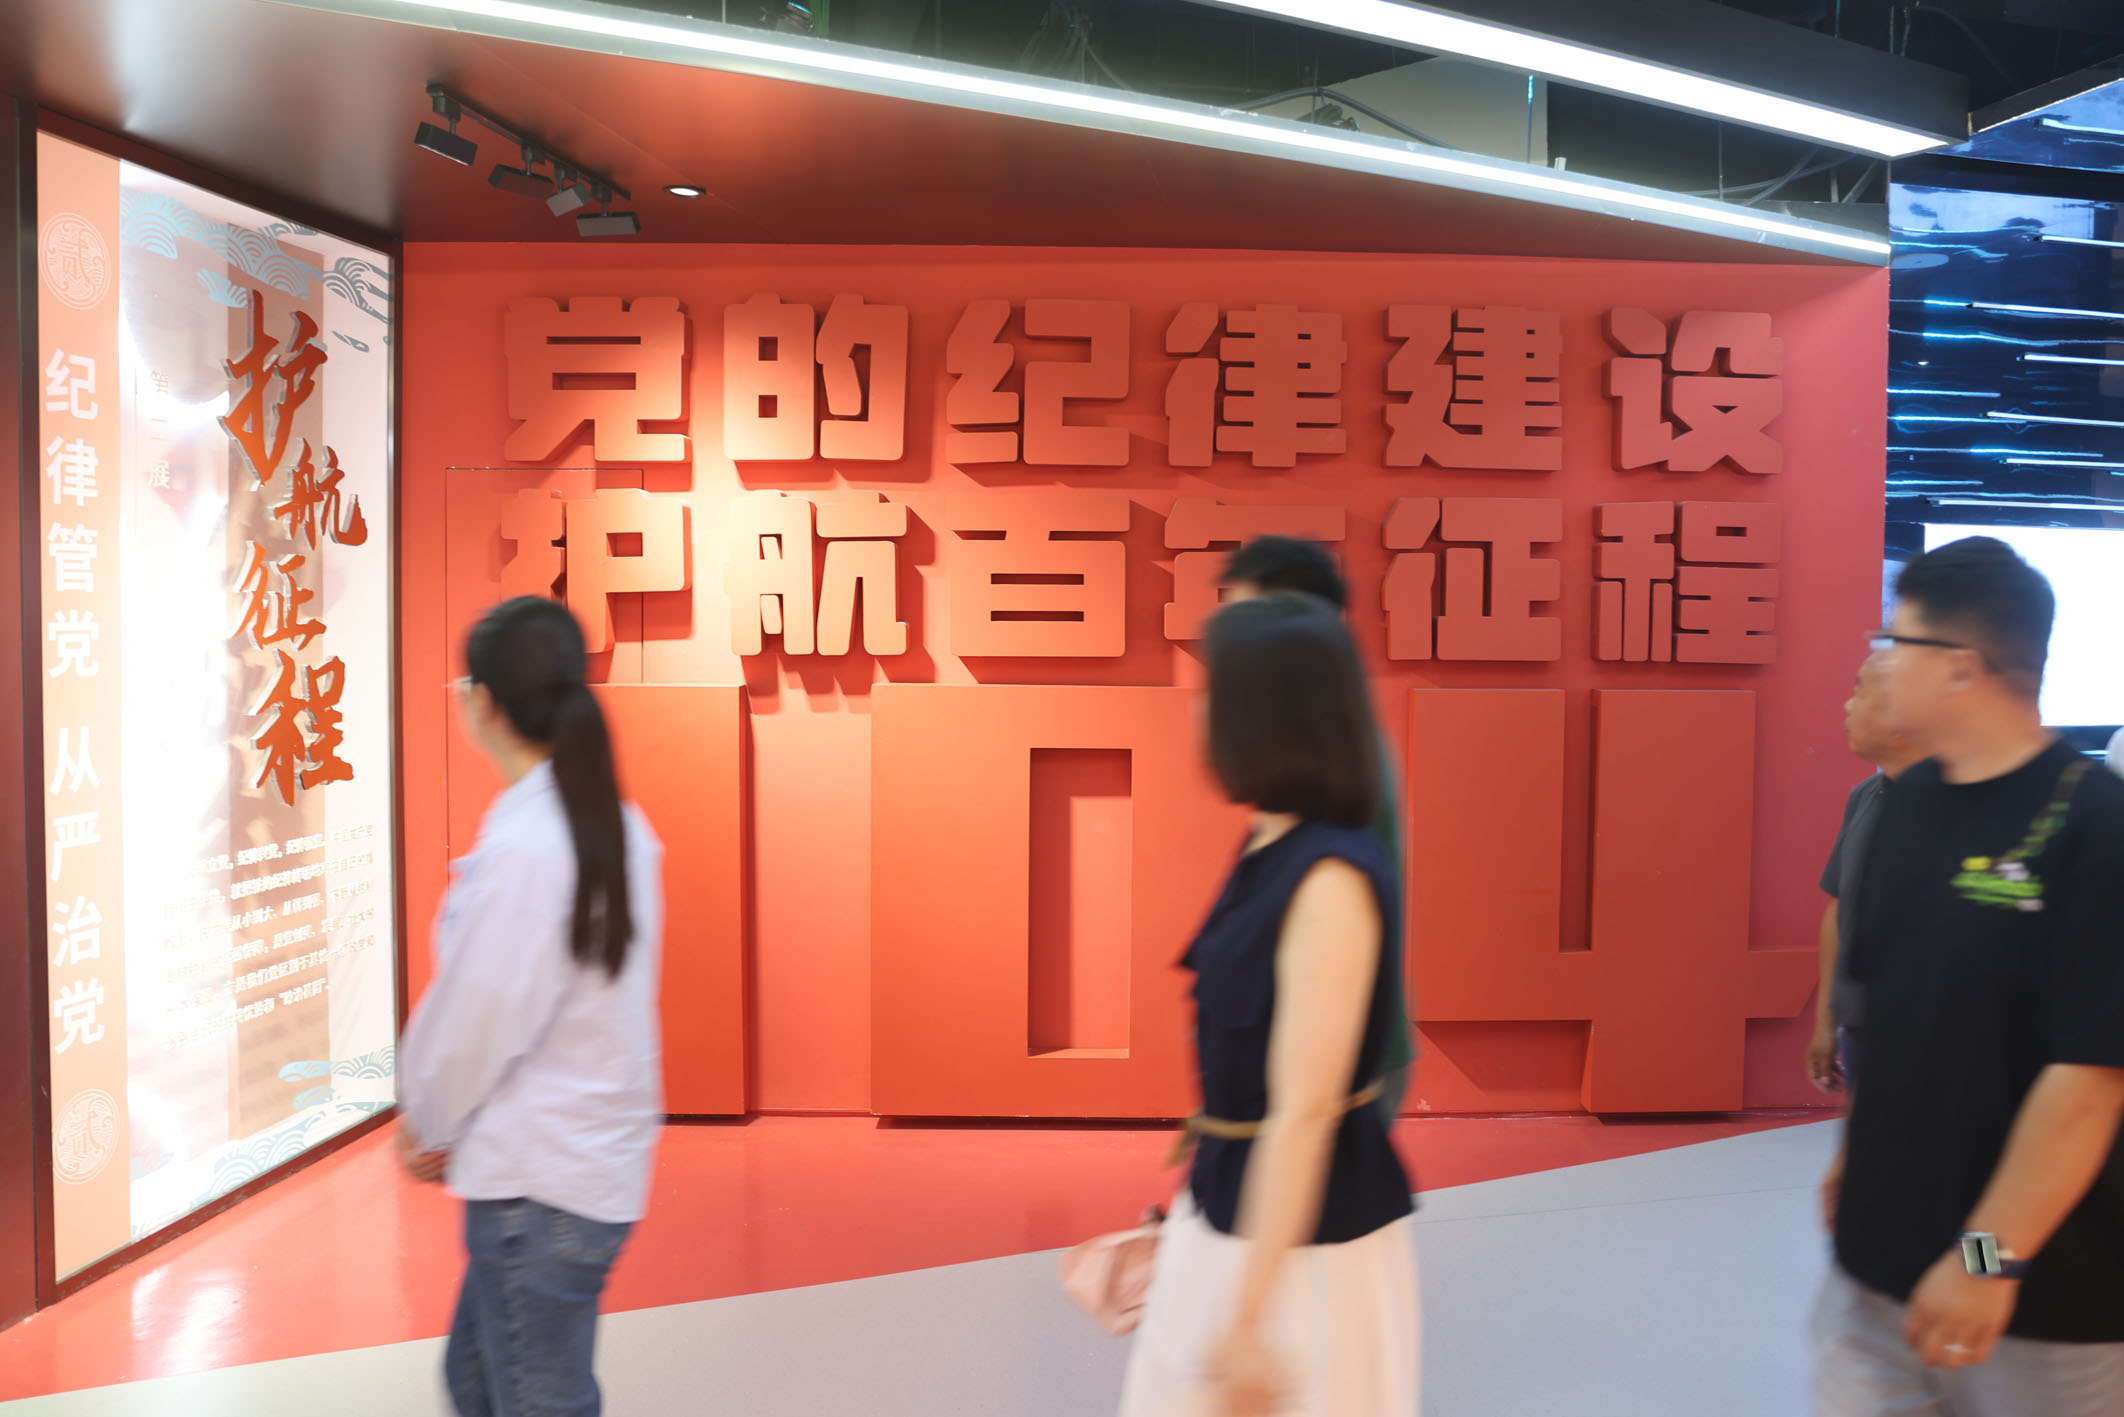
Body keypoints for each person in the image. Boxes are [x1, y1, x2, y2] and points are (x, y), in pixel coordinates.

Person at [1814, 537, 2124, 1415]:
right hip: (1877, 1268)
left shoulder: (2095, 827)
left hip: (2034, 1300)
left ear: (1960, 666)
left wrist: (1986, 1260)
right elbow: (1887, 1014)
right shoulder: (1904, 806)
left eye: (1897, 640)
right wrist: (1854, 1154)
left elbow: (2088, 1080)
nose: (1882, 661)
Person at [1121, 592, 1418, 1417]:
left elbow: (1304, 1112)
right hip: (1233, 1212)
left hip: (1304, 1253)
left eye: (1214, 692)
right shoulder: (1269, 841)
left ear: (1267, 714)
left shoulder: (1329, 879)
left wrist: (1249, 1317)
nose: (1199, 713)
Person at [398, 596, 666, 1417]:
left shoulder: (529, 844)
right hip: (579, 1167)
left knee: (530, 1400)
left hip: (538, 1187)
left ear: (483, 702)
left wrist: (427, 1120)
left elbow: (479, 1020)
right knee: (480, 1382)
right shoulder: (608, 822)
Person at [1221, 535, 1416, 1128]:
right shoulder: (1322, 746)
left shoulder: (1330, 767)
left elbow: (1305, 1114)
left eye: (1246, 611)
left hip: (1341, 1060)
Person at [1805, 657, 1923, 1093]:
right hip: (1861, 1031)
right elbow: (1838, 912)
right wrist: (1826, 1023)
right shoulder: (1864, 796)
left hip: (1931, 1036)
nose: (1847, 705)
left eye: (1861, 691)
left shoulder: (1962, 807)